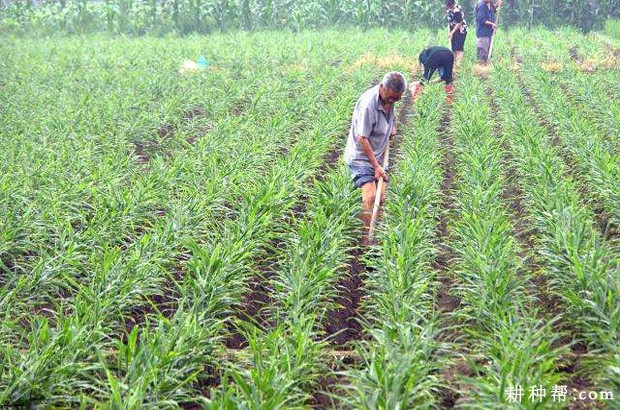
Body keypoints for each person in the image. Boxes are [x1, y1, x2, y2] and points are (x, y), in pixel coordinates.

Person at [344, 72, 406, 245]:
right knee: (370, 196)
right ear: (383, 88)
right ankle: (365, 240)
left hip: (379, 154)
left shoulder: (389, 98)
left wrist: (391, 126)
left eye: (398, 98)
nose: (394, 101)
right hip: (361, 157)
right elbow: (362, 138)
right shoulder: (368, 105)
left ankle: (374, 235)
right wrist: (376, 166)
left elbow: (390, 112)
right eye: (392, 97)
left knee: (382, 198)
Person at [475, 0, 502, 65]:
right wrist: (492, 24)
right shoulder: (481, 5)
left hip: (489, 32)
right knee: (483, 50)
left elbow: (493, 11)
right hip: (483, 32)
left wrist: (497, 5)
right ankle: (481, 67)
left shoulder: (490, 3)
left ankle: (486, 65)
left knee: (488, 50)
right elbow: (481, 20)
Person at [446, 0, 468, 66]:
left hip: (461, 30)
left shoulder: (457, 10)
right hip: (453, 29)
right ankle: (453, 63)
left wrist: (452, 32)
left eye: (451, 6)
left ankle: (458, 64)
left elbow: (459, 23)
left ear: (453, 4)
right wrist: (449, 32)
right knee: (453, 47)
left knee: (459, 47)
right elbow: (449, 21)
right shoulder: (448, 8)